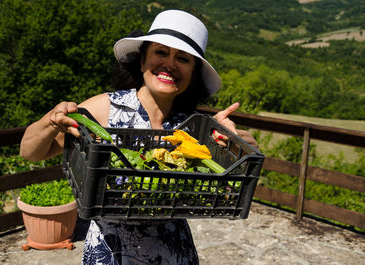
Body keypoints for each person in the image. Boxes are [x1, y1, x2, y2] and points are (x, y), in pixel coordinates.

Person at [20, 9, 258, 265]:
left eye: (183, 59)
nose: (170, 64)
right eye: (161, 52)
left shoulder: (191, 127)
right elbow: (30, 152)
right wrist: (50, 121)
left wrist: (236, 145)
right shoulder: (105, 108)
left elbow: (226, 187)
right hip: (111, 252)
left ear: (192, 74)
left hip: (173, 253)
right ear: (142, 61)